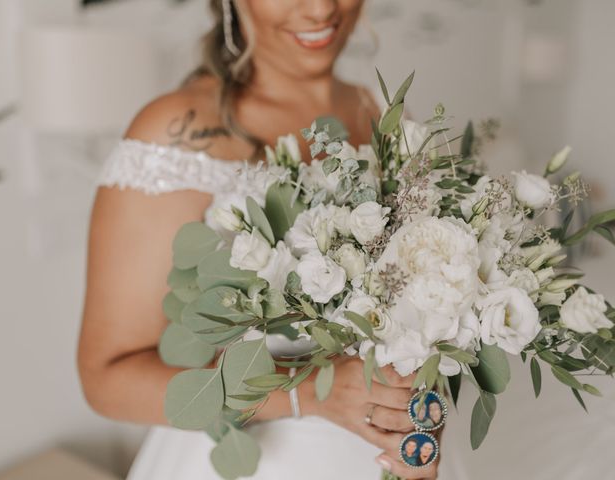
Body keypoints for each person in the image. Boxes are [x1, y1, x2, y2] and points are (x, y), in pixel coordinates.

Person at [77, 1, 439, 479]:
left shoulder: (382, 110)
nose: (321, 9)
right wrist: (311, 393)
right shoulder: (173, 136)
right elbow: (107, 378)